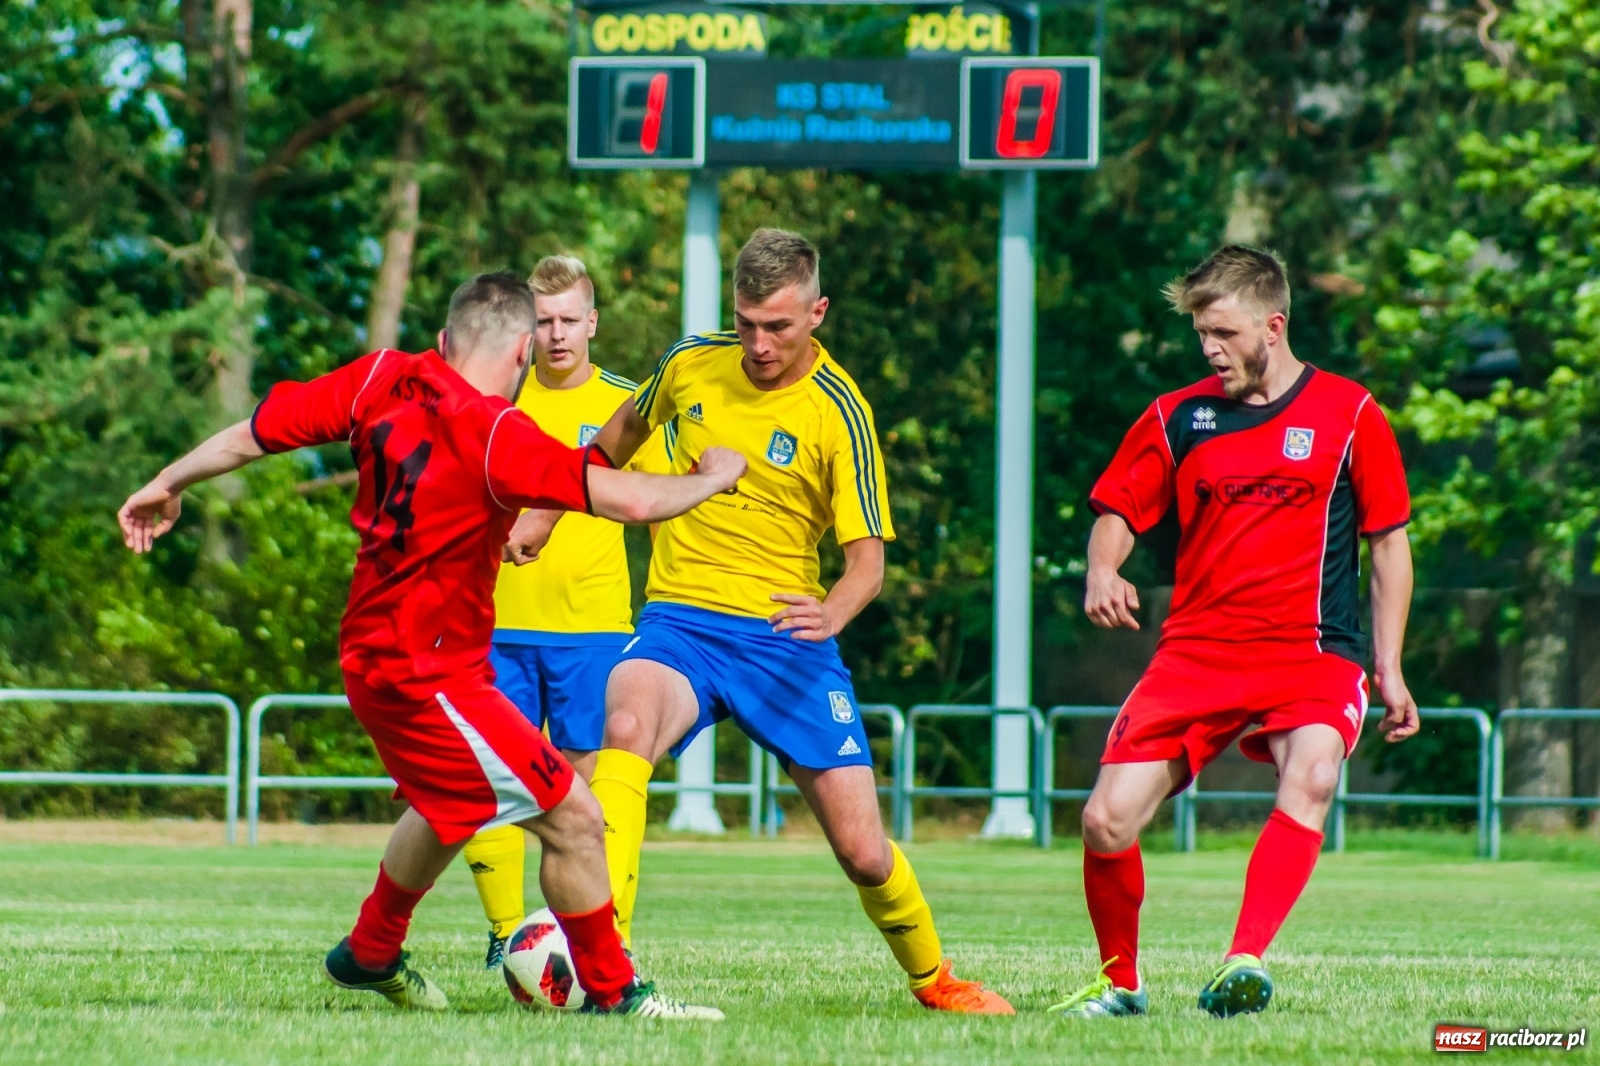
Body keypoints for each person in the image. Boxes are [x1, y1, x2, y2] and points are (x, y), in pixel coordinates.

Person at [116, 273, 738, 1020]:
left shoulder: (380, 376)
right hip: (429, 675)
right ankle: (615, 994)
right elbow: (633, 501)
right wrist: (712, 477)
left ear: (443, 340)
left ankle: (368, 952)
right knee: (574, 817)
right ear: (520, 351)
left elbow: (252, 433)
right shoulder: (499, 434)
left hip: (375, 656)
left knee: (455, 802)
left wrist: (166, 481)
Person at [506, 228, 1014, 1015]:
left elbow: (867, 561)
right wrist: (544, 513)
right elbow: (612, 443)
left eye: (777, 325)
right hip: (680, 620)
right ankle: (614, 968)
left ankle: (934, 978)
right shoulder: (689, 363)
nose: (758, 342)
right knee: (628, 718)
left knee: (863, 852)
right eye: (745, 322)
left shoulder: (839, 409)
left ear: (817, 312)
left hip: (785, 640)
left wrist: (832, 611)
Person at [1049, 246, 1420, 1020]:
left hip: (1312, 651)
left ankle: (1243, 961)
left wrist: (1389, 666)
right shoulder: (1178, 415)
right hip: (1196, 652)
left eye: (1222, 332)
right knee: (1104, 818)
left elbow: (1389, 544)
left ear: (1273, 325)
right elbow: (1118, 510)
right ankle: (1120, 987)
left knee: (1312, 772)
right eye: (1200, 335)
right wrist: (1101, 569)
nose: (1209, 350)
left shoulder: (1350, 413)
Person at [462, 256, 670, 969]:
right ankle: (505, 935)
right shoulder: (498, 396)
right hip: (497, 624)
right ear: (527, 326)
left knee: (585, 794)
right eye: (543, 321)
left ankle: (601, 943)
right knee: (491, 783)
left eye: (568, 321)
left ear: (593, 323)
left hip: (596, 630)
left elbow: (661, 501)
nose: (556, 335)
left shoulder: (627, 407)